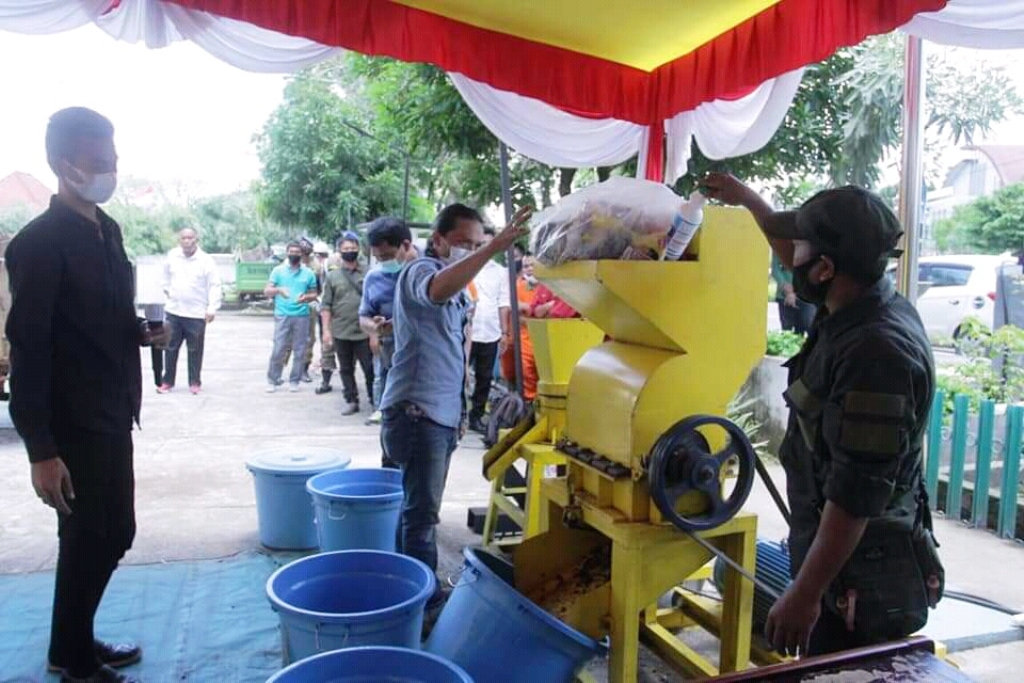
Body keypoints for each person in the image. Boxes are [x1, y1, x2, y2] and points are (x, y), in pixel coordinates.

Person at [702, 173, 942, 657]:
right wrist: (751, 202)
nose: (792, 259)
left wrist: (805, 594)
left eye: (804, 250)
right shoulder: (856, 300)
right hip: (833, 560)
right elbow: (794, 250)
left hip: (858, 579)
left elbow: (856, 494)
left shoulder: (876, 352)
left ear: (826, 268)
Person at [6, 107, 170, 683]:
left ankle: (68, 642)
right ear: (61, 164)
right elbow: (27, 349)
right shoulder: (38, 243)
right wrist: (40, 450)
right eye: (98, 163)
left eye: (114, 160)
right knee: (95, 534)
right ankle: (76, 661)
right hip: (71, 419)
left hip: (112, 408)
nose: (109, 171)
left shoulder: (107, 230)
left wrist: (143, 332)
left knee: (102, 533)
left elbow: (104, 314)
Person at [381, 202, 531, 584]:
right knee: (421, 516)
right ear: (439, 241)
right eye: (464, 242)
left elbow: (457, 349)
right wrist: (492, 249)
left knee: (415, 508)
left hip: (441, 413)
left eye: (477, 243)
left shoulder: (464, 289)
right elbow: (436, 292)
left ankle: (404, 586)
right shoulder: (422, 271)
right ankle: (422, 598)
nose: (472, 249)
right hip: (416, 411)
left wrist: (462, 411)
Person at [360, 217, 416, 431]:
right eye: (378, 257)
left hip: (424, 367)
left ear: (406, 246)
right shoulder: (373, 278)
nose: (383, 261)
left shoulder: (426, 273)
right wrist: (375, 327)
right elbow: (363, 317)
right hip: (390, 361)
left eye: (387, 256)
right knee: (392, 426)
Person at [158, 227, 222, 395]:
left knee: (195, 350)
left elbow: (214, 285)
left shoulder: (206, 260)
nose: (187, 241)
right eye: (183, 238)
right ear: (179, 240)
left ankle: (194, 382)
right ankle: (167, 382)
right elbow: (164, 276)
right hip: (174, 312)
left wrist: (212, 308)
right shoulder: (172, 256)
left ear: (196, 239)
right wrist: (167, 290)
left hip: (196, 314)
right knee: (170, 348)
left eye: (190, 238)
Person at [321, 233, 374, 415]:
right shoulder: (333, 276)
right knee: (345, 369)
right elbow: (326, 305)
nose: (349, 252)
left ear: (358, 249)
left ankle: (375, 400)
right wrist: (326, 332)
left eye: (352, 248)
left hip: (365, 331)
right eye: (345, 249)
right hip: (341, 331)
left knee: (370, 368)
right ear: (339, 251)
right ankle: (351, 400)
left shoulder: (369, 273)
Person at [466, 228, 512, 433]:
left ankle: (476, 416)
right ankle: (458, 416)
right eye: (481, 243)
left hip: (490, 330)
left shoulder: (500, 272)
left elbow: (504, 303)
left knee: (485, 378)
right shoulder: (466, 267)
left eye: (489, 244)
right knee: (460, 374)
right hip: (467, 331)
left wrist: (504, 332)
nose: (484, 247)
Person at [264, 241, 319, 392]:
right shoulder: (278, 271)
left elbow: (314, 294)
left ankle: (294, 380)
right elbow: (267, 291)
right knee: (279, 348)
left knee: (300, 350)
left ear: (302, 254)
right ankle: (273, 379)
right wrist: (279, 290)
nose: (294, 254)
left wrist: (306, 297)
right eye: (291, 252)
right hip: (282, 314)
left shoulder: (309, 273)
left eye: (297, 252)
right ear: (287, 253)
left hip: (302, 315)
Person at [501, 254, 540, 400]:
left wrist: (529, 309)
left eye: (532, 265)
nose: (529, 269)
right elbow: (512, 307)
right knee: (525, 373)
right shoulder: (517, 287)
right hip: (523, 338)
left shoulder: (548, 287)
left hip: (541, 339)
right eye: (526, 266)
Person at [772, 252, 815, 335]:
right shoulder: (781, 244)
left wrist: (795, 291)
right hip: (783, 296)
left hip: (805, 295)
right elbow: (775, 269)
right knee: (787, 329)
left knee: (807, 325)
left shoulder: (808, 245)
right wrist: (786, 288)